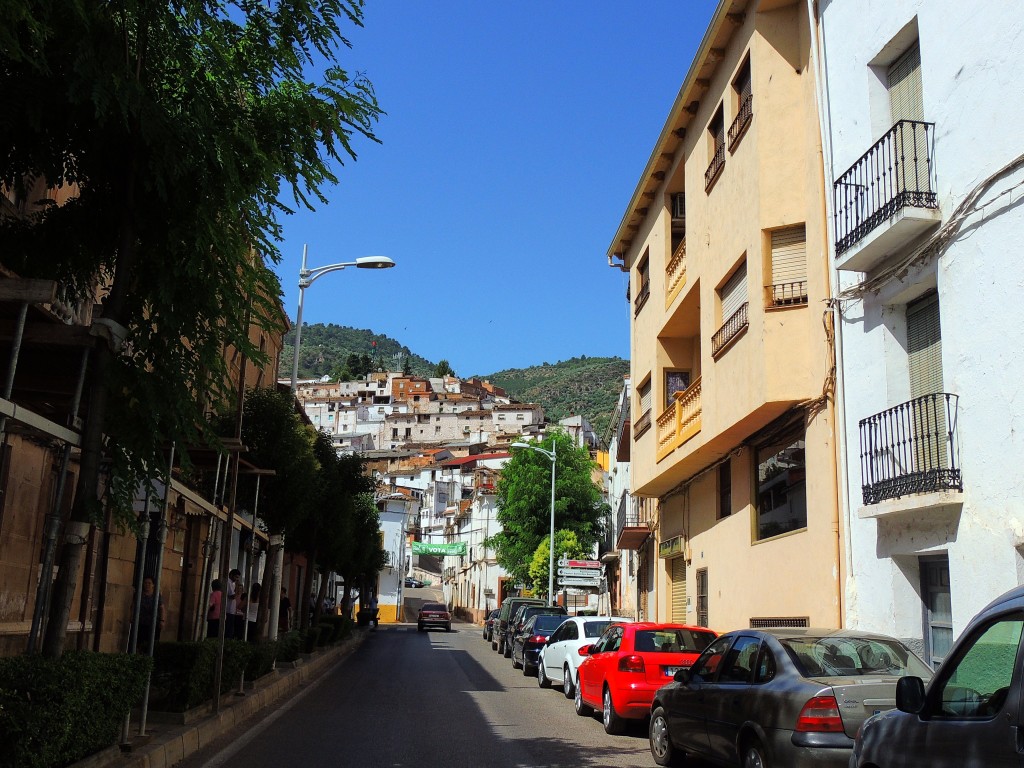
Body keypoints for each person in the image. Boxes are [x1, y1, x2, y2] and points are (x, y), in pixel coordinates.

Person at [137, 575, 164, 654]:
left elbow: (161, 608)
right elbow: (133, 605)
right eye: (145, 583)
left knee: (152, 642)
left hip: (153, 623)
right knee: (140, 642)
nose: (147, 585)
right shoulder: (139, 594)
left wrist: (162, 620)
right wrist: (131, 616)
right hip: (141, 622)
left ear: (153, 585)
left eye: (149, 583)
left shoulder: (157, 595)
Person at [226, 568, 241, 638]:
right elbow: (232, 596)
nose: (237, 579)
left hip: (231, 610)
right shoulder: (228, 582)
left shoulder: (232, 583)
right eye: (236, 577)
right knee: (228, 629)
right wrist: (237, 587)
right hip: (228, 610)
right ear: (231, 575)